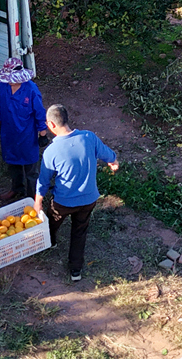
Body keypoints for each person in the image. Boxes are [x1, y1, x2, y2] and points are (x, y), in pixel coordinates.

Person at [34, 104, 118, 282]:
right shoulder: (88, 137)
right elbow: (106, 153)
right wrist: (113, 161)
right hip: (88, 200)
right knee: (79, 232)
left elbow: (44, 180)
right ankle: (76, 271)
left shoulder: (51, 151)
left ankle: (50, 241)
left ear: (51, 124)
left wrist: (38, 201)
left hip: (63, 203)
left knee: (52, 221)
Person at [0, 57, 50, 201]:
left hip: (27, 135)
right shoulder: (2, 85)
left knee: (31, 170)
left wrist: (42, 134)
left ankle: (32, 198)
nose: (10, 81)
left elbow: (39, 113)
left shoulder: (31, 89)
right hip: (8, 133)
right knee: (12, 164)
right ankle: (16, 189)